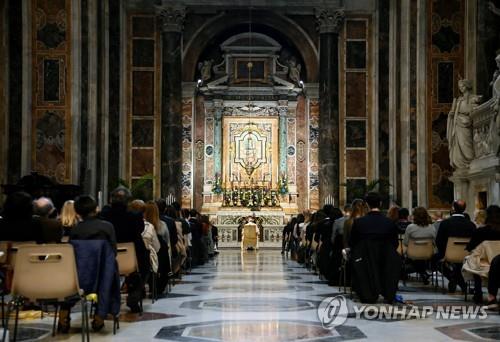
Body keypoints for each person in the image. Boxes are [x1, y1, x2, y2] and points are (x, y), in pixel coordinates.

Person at [63, 195, 117, 332]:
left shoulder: (75, 230)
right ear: (95, 209)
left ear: (78, 212)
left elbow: (72, 254)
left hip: (79, 276)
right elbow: (113, 252)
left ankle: (63, 315)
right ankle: (100, 316)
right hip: (102, 277)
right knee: (111, 266)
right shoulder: (107, 227)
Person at [99, 186, 147, 313]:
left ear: (111, 199)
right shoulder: (134, 216)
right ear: (127, 201)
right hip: (131, 259)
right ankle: (134, 294)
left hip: (108, 259)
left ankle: (106, 297)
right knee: (144, 264)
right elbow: (140, 230)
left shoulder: (103, 215)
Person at [349, 192, 400, 303]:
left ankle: (366, 291)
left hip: (365, 260)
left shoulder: (359, 222)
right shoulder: (389, 222)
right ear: (380, 204)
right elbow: (395, 244)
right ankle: (387, 291)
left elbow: (352, 243)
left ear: (367, 205)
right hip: (386, 260)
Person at [436, 199, 475, 293]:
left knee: (434, 260)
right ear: (464, 209)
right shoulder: (471, 225)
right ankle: (460, 281)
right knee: (458, 264)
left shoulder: (445, 223)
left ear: (453, 208)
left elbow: (438, 241)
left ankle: (453, 277)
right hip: (466, 255)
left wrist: (445, 253)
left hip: (448, 255)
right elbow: (474, 242)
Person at [465, 205, 500, 303]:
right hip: (497, 263)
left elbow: (470, 247)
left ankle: (478, 293)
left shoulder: (481, 231)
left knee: (474, 260)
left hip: (485, 263)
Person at [447, 79, 477, 169]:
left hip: (466, 123)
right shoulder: (458, 100)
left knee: (466, 144)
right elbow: (453, 112)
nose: (461, 88)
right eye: (460, 87)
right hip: (457, 124)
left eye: (462, 86)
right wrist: (451, 115)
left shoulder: (473, 98)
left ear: (467, 86)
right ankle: (461, 163)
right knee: (458, 145)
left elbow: (473, 111)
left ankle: (469, 160)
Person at [403, 207, 437, 285]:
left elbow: (405, 243)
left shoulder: (410, 227)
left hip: (412, 254)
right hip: (428, 254)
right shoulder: (431, 227)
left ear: (415, 216)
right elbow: (435, 242)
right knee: (421, 259)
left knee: (412, 258)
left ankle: (421, 272)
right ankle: (423, 272)